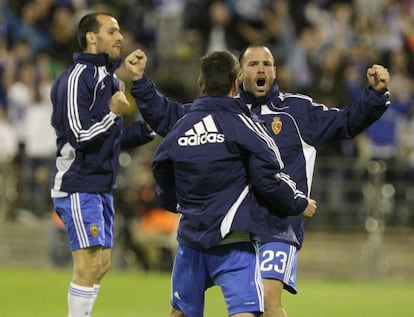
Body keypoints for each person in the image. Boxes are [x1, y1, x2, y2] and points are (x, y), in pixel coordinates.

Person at [125, 45, 390, 317]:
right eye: (253, 64)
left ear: (275, 71)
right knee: (184, 310)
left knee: (266, 300)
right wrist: (141, 82)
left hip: (277, 224)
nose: (261, 68)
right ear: (239, 75)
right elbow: (170, 117)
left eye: (268, 63)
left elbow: (345, 122)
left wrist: (375, 95)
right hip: (232, 228)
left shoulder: (297, 112)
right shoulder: (222, 111)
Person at [49, 12, 155, 316]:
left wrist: (148, 129)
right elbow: (80, 134)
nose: (120, 37)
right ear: (91, 37)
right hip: (77, 182)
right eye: (112, 31)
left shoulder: (109, 80)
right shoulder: (75, 78)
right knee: (89, 264)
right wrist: (111, 112)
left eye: (120, 31)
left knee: (103, 263)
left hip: (101, 185)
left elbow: (114, 138)